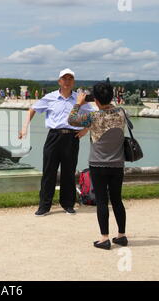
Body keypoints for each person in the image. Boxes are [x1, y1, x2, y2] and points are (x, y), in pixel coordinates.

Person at [19, 68, 94, 216]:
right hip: (53, 137)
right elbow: (32, 109)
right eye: (64, 79)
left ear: (73, 82)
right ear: (59, 81)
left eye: (70, 79)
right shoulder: (50, 97)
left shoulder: (80, 99)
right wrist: (24, 128)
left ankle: (68, 204)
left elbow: (92, 115)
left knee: (69, 172)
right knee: (49, 172)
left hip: (72, 137)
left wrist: (85, 130)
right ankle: (44, 206)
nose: (67, 81)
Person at [68, 80, 128, 250]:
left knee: (102, 201)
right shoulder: (122, 112)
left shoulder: (93, 116)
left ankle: (104, 238)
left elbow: (71, 119)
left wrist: (78, 103)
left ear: (96, 99)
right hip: (118, 163)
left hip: (98, 163)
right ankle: (121, 235)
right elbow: (112, 107)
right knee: (117, 200)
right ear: (112, 96)